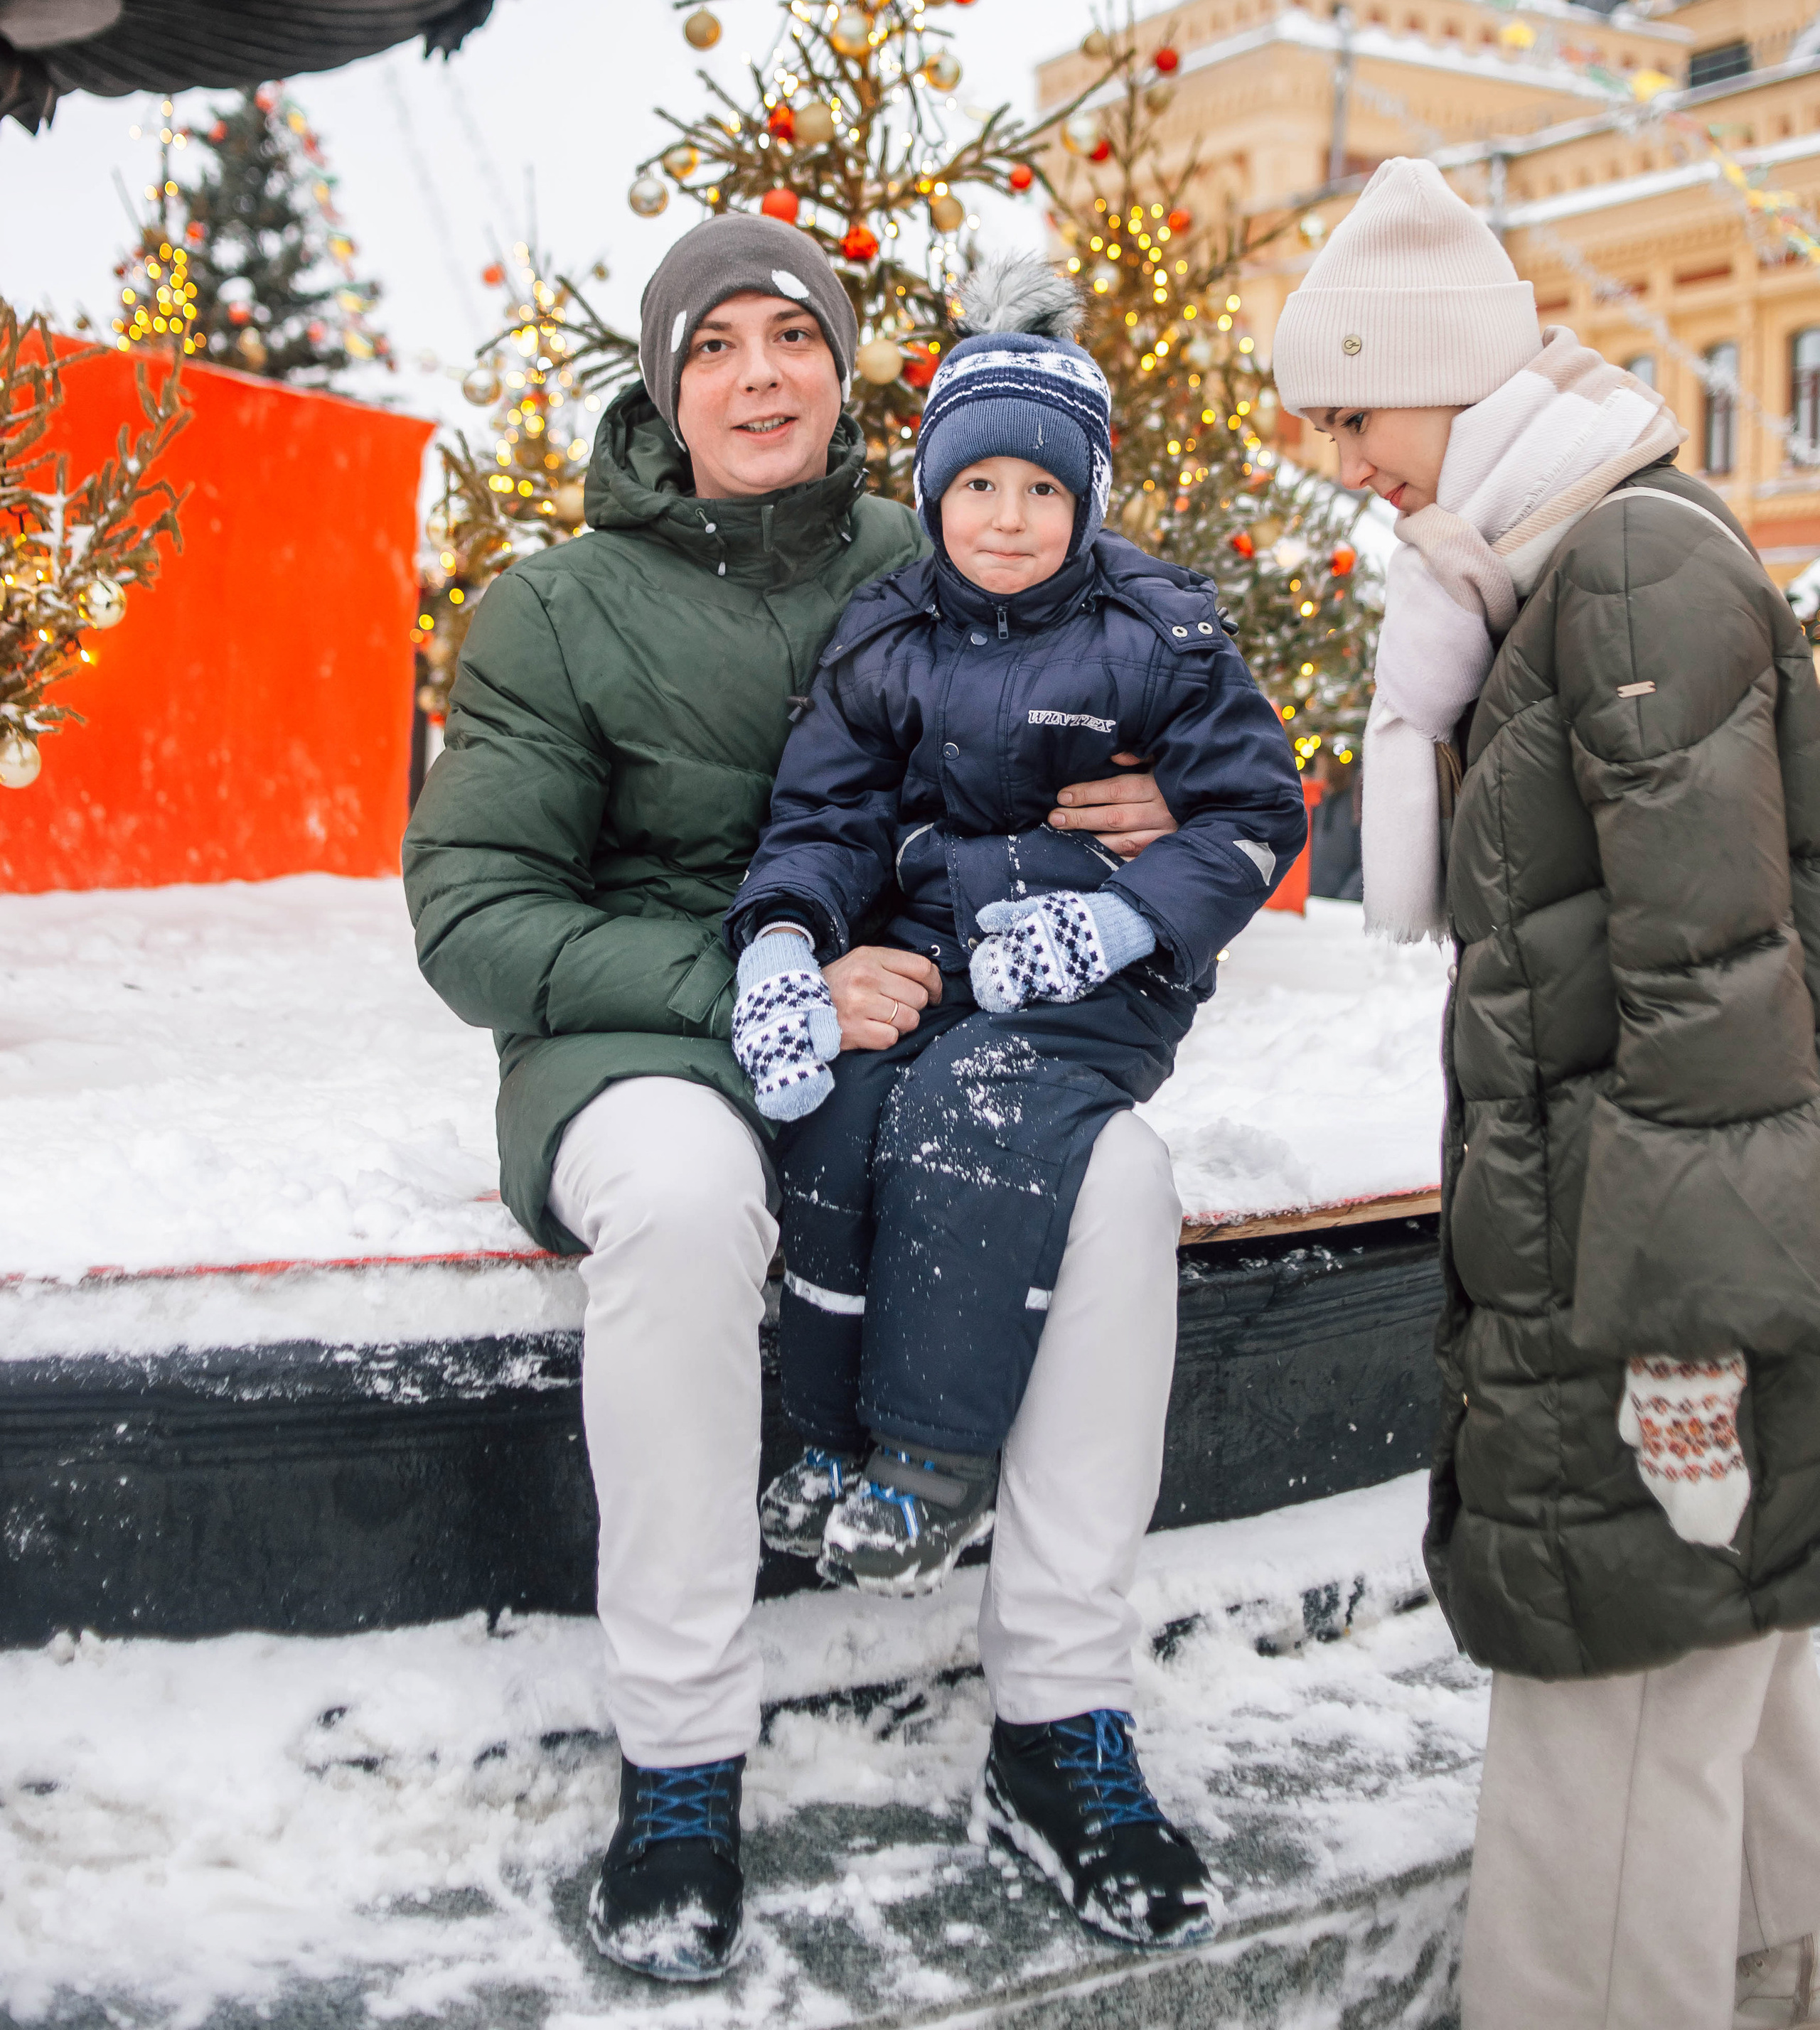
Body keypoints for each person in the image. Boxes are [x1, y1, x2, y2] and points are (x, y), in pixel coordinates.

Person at [402, 215, 1201, 1987]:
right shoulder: (554, 608)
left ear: (844, 374)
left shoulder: (960, 550)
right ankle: (681, 1757)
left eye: (791, 337)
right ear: (663, 385)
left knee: (1117, 1174)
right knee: (686, 1199)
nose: (756, 373)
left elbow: (1133, 711)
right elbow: (473, 920)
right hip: (641, 1032)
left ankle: (1058, 1721)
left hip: (906, 1010)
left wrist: (1144, 804)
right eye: (713, 347)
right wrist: (744, 989)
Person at [1273, 155, 1820, 2030]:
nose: (1345, 459)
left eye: (1354, 409)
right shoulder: (1566, 561)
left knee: (1615, 1774)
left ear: (1445, 370)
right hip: (1618, 1265)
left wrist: (1688, 1342)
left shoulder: (1631, 570)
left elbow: (1716, 980)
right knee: (1714, 1742)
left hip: (1643, 1302)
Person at [722, 257, 1305, 1643]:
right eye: (977, 485)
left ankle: (931, 1457)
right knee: (843, 1106)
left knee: (964, 1112)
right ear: (931, 494)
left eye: (1042, 489)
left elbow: (1252, 813)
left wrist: (1119, 920)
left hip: (1102, 981)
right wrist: (784, 948)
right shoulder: (888, 634)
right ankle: (822, 1439)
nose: (1007, 516)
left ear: (1087, 500)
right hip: (934, 954)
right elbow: (824, 820)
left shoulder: (1156, 631)